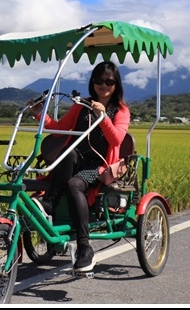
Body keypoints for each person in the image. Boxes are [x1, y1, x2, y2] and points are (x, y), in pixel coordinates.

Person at [28, 60, 131, 273]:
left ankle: (85, 247)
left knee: (75, 184)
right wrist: (40, 113)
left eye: (109, 81)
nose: (103, 85)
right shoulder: (81, 105)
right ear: (92, 82)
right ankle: (49, 202)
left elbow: (117, 140)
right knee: (68, 152)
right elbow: (60, 130)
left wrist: (103, 116)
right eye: (99, 80)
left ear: (116, 84)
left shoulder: (120, 111)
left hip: (99, 164)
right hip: (75, 159)